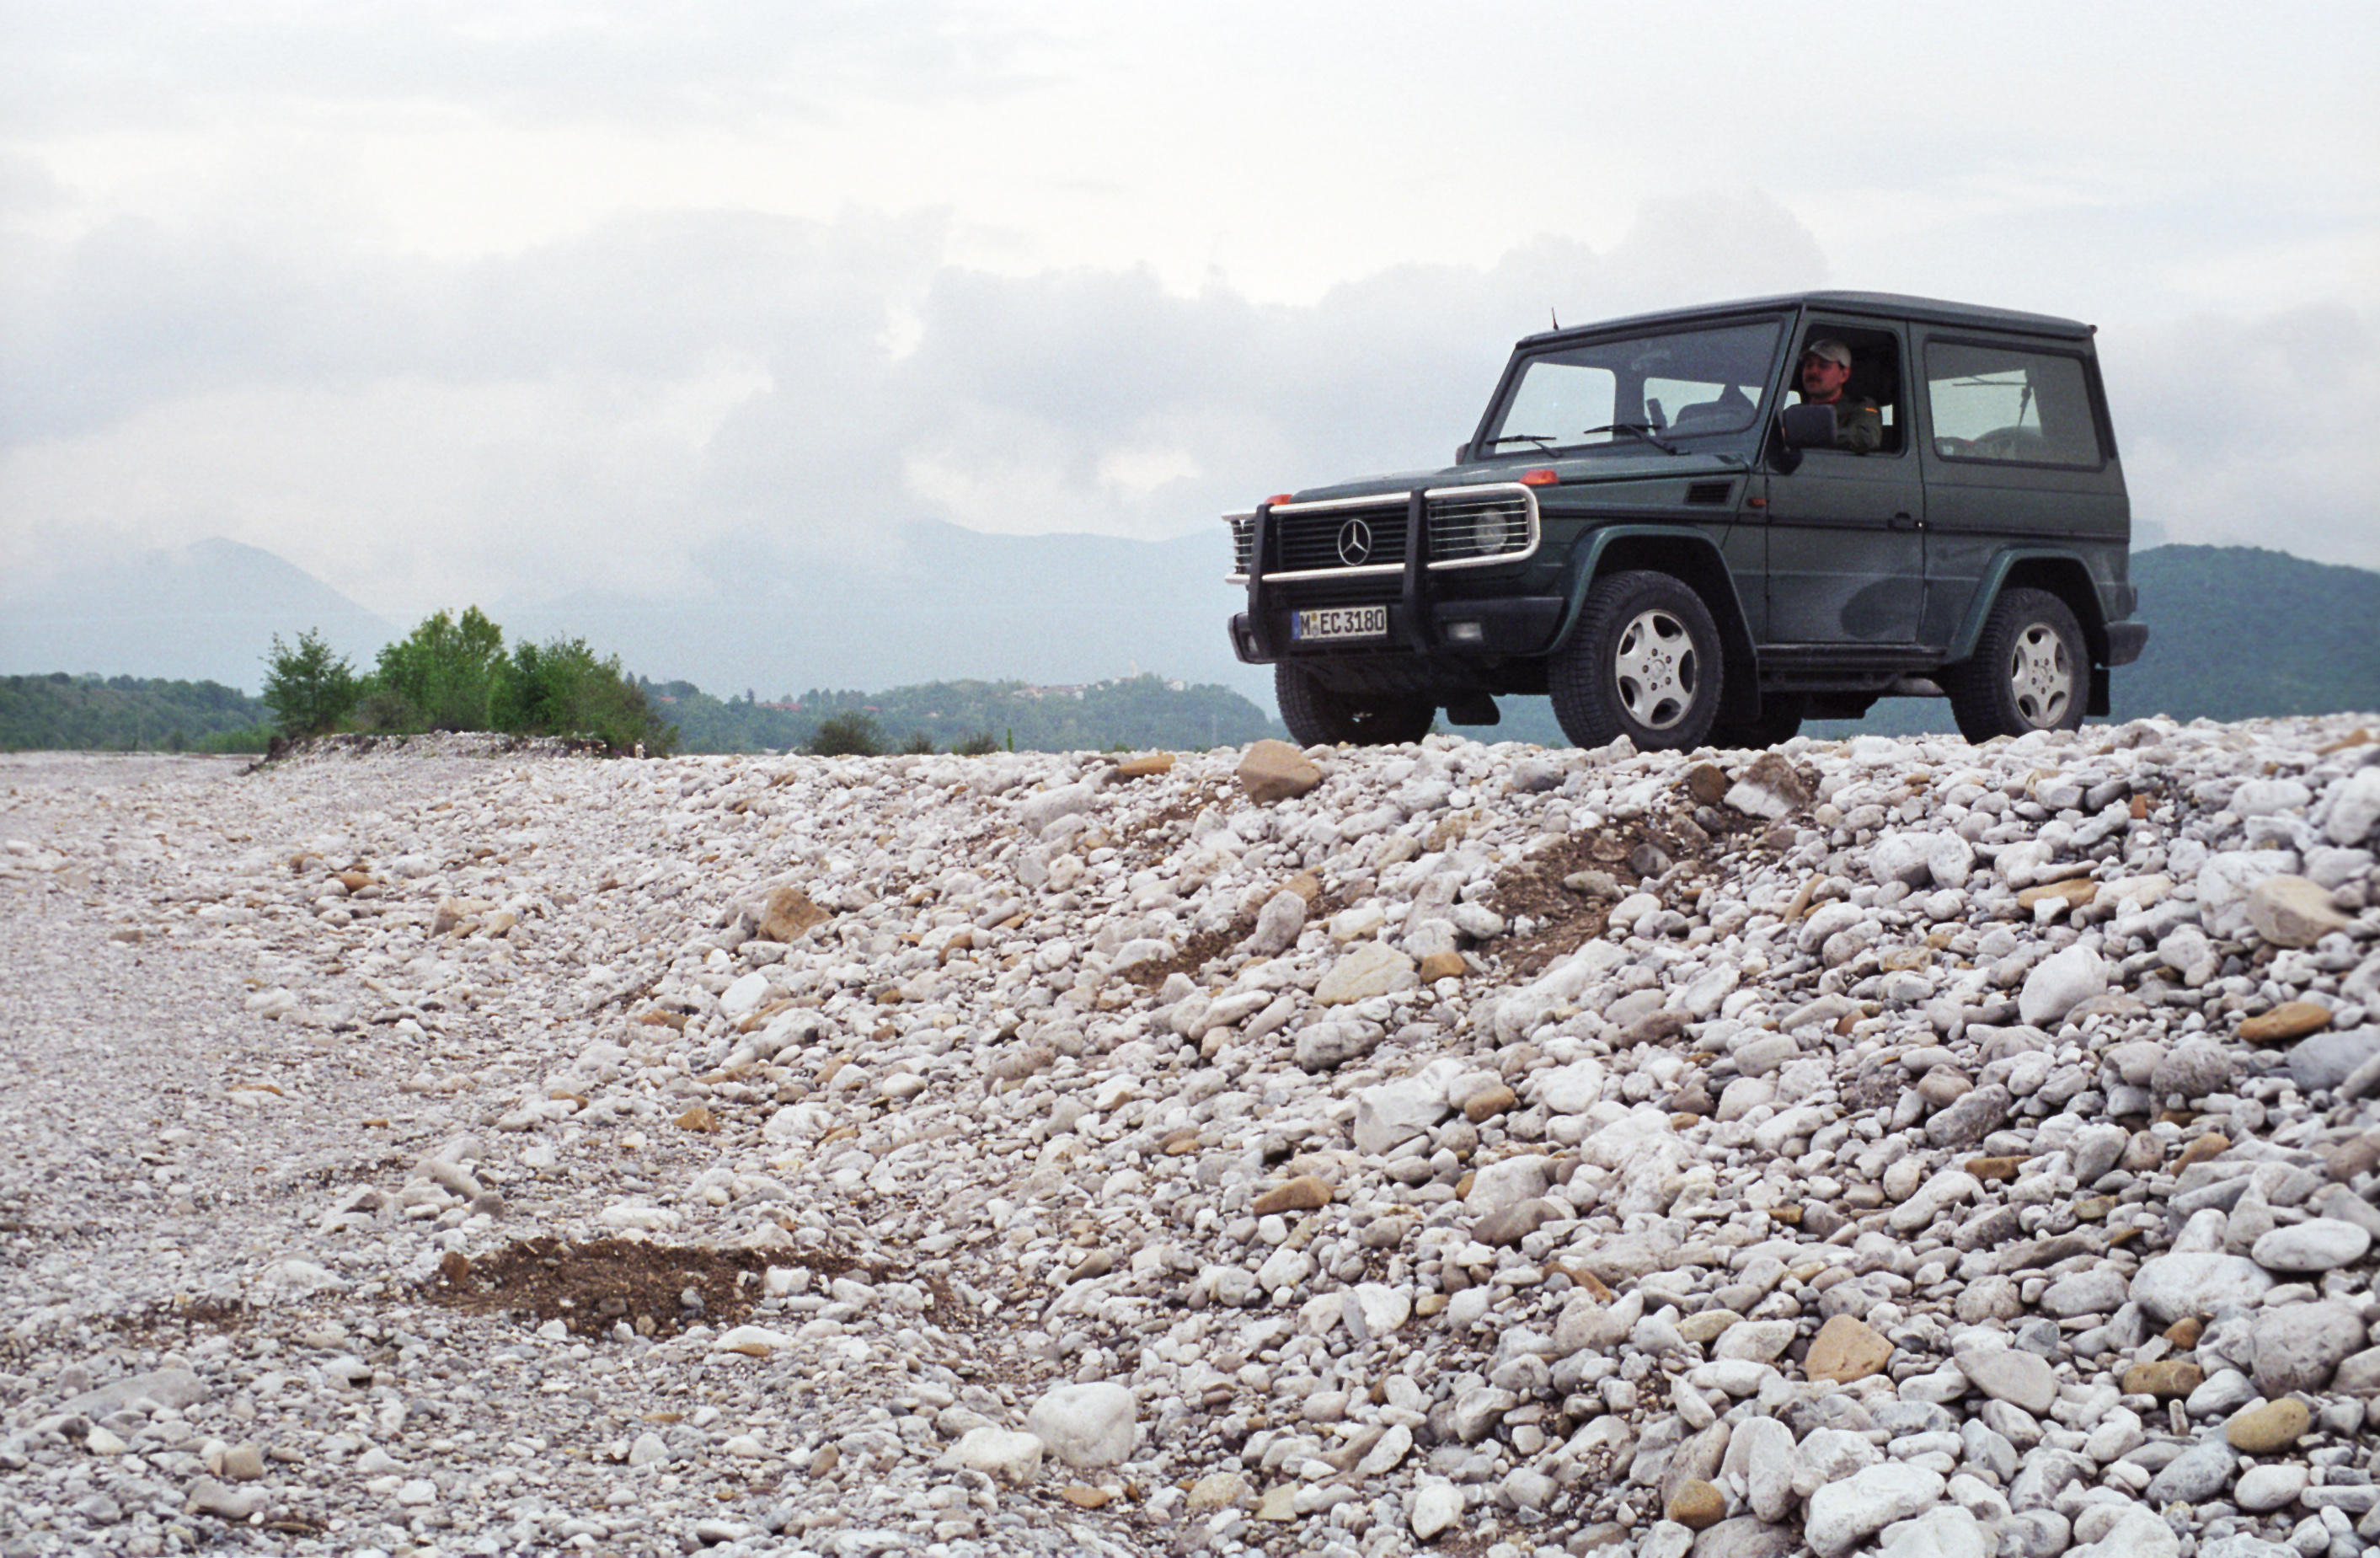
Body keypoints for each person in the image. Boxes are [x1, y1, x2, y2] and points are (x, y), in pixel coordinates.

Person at [1796, 339, 1882, 452]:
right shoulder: (1795, 413)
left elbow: (1866, 437)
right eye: (1809, 365)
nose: (1813, 372)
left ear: (1844, 375)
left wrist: (1809, 435)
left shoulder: (1859, 407)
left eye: (1823, 366)